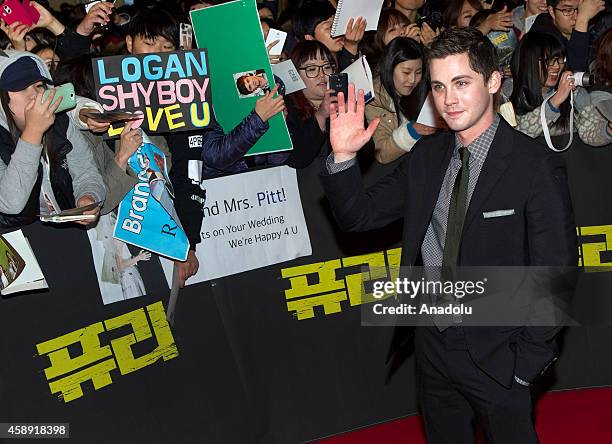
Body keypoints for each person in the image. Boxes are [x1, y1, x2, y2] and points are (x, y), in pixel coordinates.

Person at [321, 27, 577, 443]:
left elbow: (557, 269)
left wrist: (525, 363)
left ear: (493, 82)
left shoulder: (533, 166)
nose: (448, 99)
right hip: (433, 344)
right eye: (438, 86)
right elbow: (359, 216)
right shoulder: (426, 157)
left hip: (500, 351)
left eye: (462, 83)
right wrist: (344, 156)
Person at [126, 8, 285, 286]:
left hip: (186, 224)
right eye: (149, 43)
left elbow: (200, 163)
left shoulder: (189, 94)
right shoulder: (109, 92)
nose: (156, 54)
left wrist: (186, 244)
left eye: (166, 47)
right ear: (129, 44)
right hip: (129, 225)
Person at [0, 52, 105, 227]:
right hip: (13, 237)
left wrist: (88, 198)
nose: (34, 95)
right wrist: (33, 132)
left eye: (39, 86)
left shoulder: (60, 124)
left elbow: (86, 173)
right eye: (21, 88)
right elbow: (11, 202)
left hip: (60, 230)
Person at [510, 32, 611, 146]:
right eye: (549, 60)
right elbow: (516, 136)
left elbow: (590, 131)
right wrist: (555, 101)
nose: (557, 66)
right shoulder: (511, 89)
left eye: (560, 59)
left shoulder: (573, 91)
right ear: (529, 61)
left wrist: (609, 128)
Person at [365, 37, 434, 164]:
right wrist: (412, 131)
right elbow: (381, 154)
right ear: (389, 68)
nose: (413, 79)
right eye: (406, 72)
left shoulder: (425, 89)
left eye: (418, 72)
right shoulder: (374, 99)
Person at [529, 0, 605, 71]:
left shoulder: (597, 27)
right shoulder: (541, 37)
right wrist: (582, 20)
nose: (576, 17)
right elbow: (576, 73)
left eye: (581, 10)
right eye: (568, 10)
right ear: (552, 11)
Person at [293, 1, 366, 71]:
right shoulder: (306, 72)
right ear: (310, 38)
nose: (338, 31)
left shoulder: (358, 53)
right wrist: (351, 46)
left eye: (338, 25)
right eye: (331, 27)